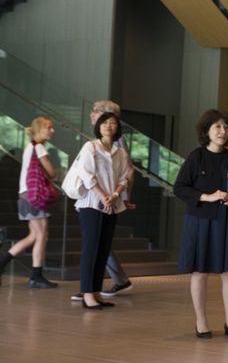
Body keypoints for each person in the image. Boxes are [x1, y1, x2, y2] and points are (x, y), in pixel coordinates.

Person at [173, 109, 228, 339]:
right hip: (200, 220)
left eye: (226, 127)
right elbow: (180, 187)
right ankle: (201, 321)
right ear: (206, 130)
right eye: (217, 126)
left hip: (227, 220)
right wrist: (207, 197)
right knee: (200, 272)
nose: (222, 131)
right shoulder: (196, 157)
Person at [70, 100, 135, 301]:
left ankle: (94, 291)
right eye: (104, 121)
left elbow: (125, 175)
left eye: (97, 112)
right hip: (92, 201)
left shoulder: (119, 148)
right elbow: (87, 175)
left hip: (111, 202)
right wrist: (105, 196)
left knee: (103, 248)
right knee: (93, 248)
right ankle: (88, 292)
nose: (92, 115)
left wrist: (117, 197)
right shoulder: (91, 146)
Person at [0, 117, 59, 288]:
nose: (52, 130)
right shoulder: (39, 147)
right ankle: (36, 276)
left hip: (26, 197)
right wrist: (52, 172)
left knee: (34, 236)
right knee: (41, 236)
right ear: (38, 130)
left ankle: (2, 263)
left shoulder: (29, 147)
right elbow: (52, 173)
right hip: (35, 197)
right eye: (49, 127)